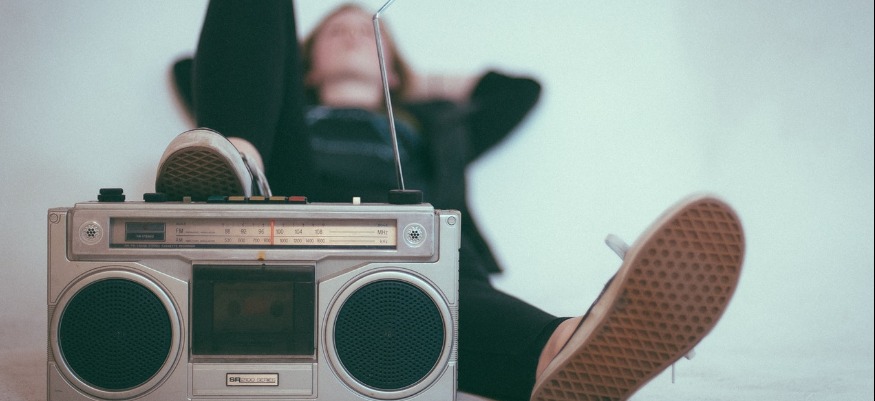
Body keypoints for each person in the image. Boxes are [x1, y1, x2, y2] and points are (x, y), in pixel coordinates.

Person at [156, 2, 746, 400]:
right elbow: (197, 67)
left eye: (369, 33)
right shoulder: (287, 115)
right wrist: (271, 94)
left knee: (447, 279)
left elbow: (519, 92)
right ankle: (237, 168)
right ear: (305, 62)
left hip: (412, 246)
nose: (354, 34)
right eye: (336, 32)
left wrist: (413, 83)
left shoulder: (438, 125)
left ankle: (566, 349)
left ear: (395, 70)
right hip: (289, 207)